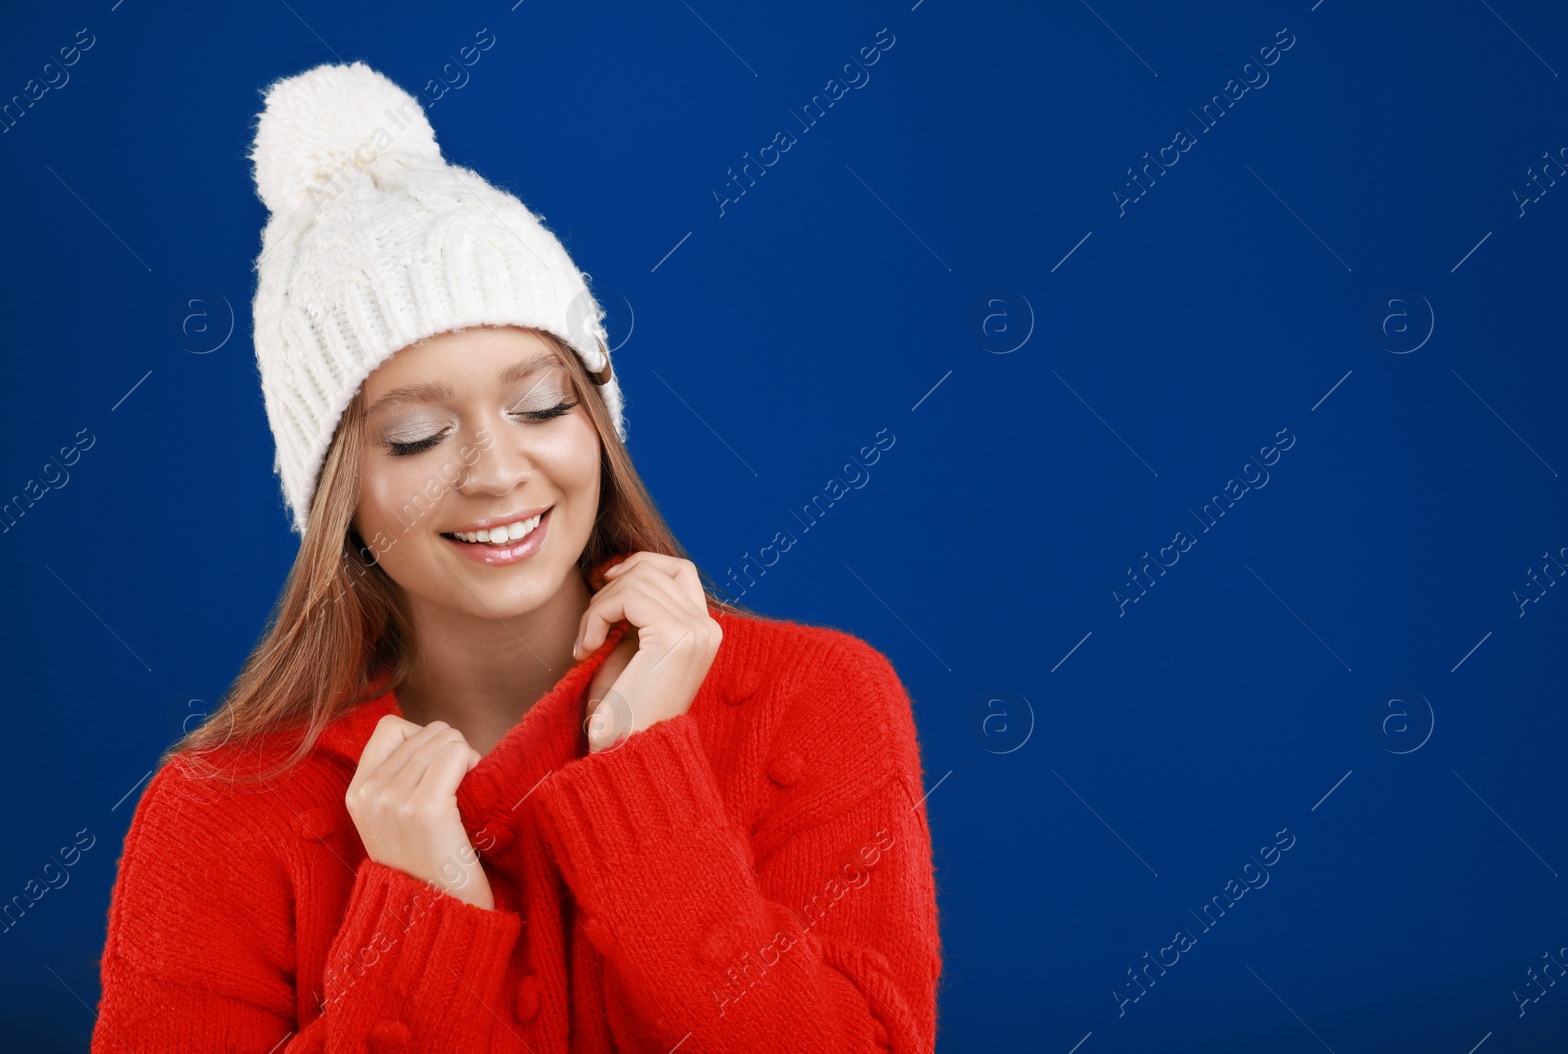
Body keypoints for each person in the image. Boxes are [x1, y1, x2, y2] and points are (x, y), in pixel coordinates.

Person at [89, 60, 942, 1052]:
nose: (498, 470)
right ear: (336, 492)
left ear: (597, 424)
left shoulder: (819, 696)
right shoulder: (221, 811)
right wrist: (424, 916)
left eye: (541, 405)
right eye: (415, 434)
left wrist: (643, 783)